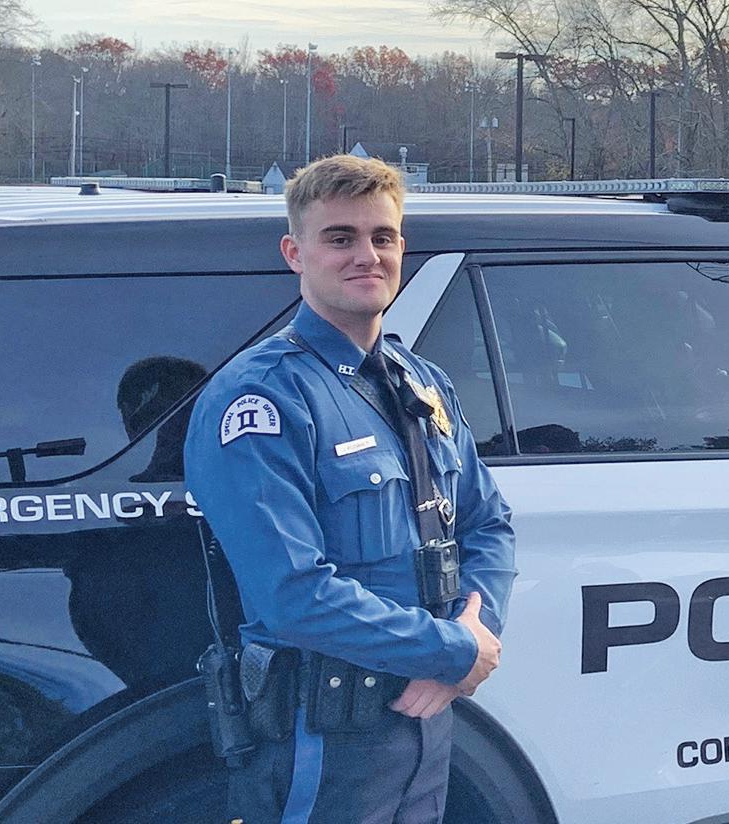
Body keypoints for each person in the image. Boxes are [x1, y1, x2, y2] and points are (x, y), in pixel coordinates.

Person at [185, 154, 515, 823]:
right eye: (341, 238)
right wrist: (451, 653)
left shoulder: (421, 382)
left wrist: (474, 635)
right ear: (295, 253)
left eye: (381, 237)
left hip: (423, 724)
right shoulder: (262, 398)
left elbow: (487, 523)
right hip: (321, 735)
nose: (367, 255)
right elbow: (291, 594)